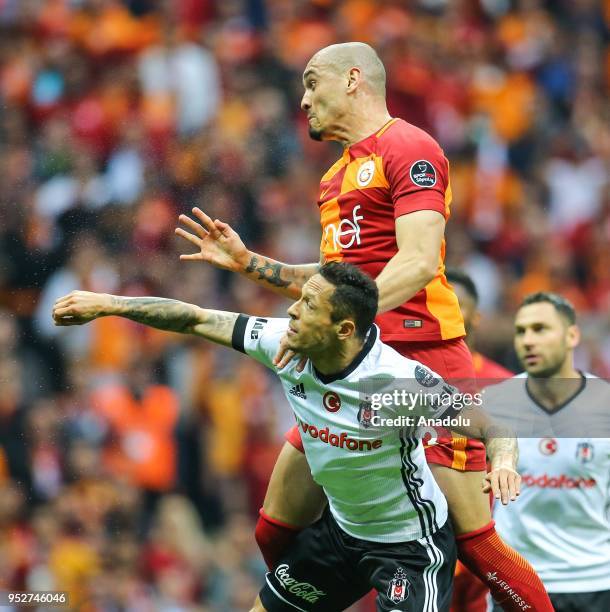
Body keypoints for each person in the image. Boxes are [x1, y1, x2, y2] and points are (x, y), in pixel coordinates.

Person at [175, 42, 552, 610]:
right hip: (350, 371)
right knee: (274, 528)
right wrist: (249, 262)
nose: (302, 99)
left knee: (475, 545)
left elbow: (419, 260)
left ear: (353, 79)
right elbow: (332, 284)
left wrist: (353, 321)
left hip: (418, 364)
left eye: (311, 83)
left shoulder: (410, 146)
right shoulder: (332, 182)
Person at [52, 262, 521, 612]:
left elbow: (491, 423)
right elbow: (194, 318)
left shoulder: (397, 384)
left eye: (308, 305)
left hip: (408, 545)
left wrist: (501, 462)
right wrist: (108, 305)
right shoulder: (283, 344)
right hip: (340, 534)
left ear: (344, 329)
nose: (292, 312)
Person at [486, 292, 610, 612]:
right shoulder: (495, 403)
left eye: (540, 329)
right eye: (521, 331)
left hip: (594, 581)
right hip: (517, 581)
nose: (528, 340)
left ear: (572, 336)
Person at [444, 268, 513, 612]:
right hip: (416, 535)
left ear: (477, 316)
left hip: (481, 540)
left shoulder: (505, 386)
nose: (445, 314)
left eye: (455, 305)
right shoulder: (409, 377)